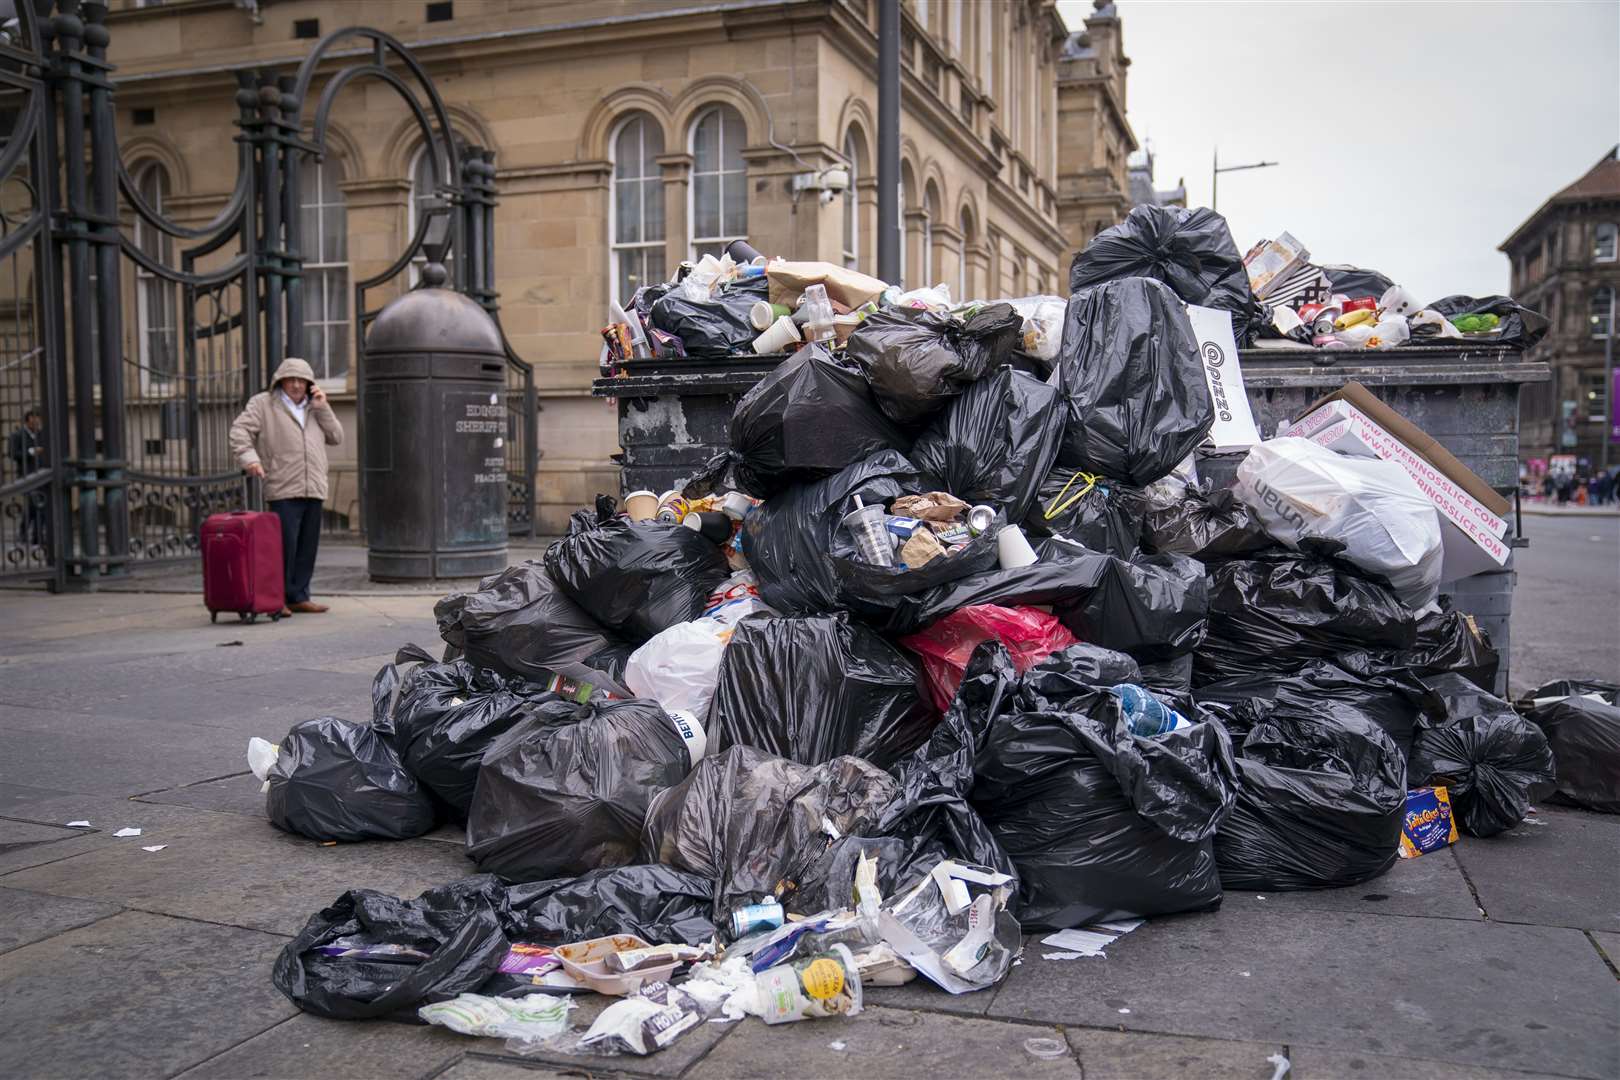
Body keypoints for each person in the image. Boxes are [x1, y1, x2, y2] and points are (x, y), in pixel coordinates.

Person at [228, 358, 343, 615]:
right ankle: (275, 598)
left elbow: (336, 437)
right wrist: (251, 460)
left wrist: (323, 408)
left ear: (309, 384)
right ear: (280, 381)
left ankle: (298, 596)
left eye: (301, 380)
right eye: (290, 379)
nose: (295, 384)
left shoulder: (316, 407)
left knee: (306, 546)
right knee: (283, 548)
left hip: (313, 485)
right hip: (282, 485)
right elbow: (239, 432)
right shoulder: (263, 404)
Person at [7, 406, 46, 545]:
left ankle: (36, 536)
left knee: (39, 506)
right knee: (34, 504)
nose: (37, 421)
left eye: (38, 418)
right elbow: (11, 453)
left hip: (43, 476)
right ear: (28, 419)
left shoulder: (42, 434)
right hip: (26, 476)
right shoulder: (17, 435)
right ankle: (30, 534)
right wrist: (30, 452)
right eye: (34, 418)